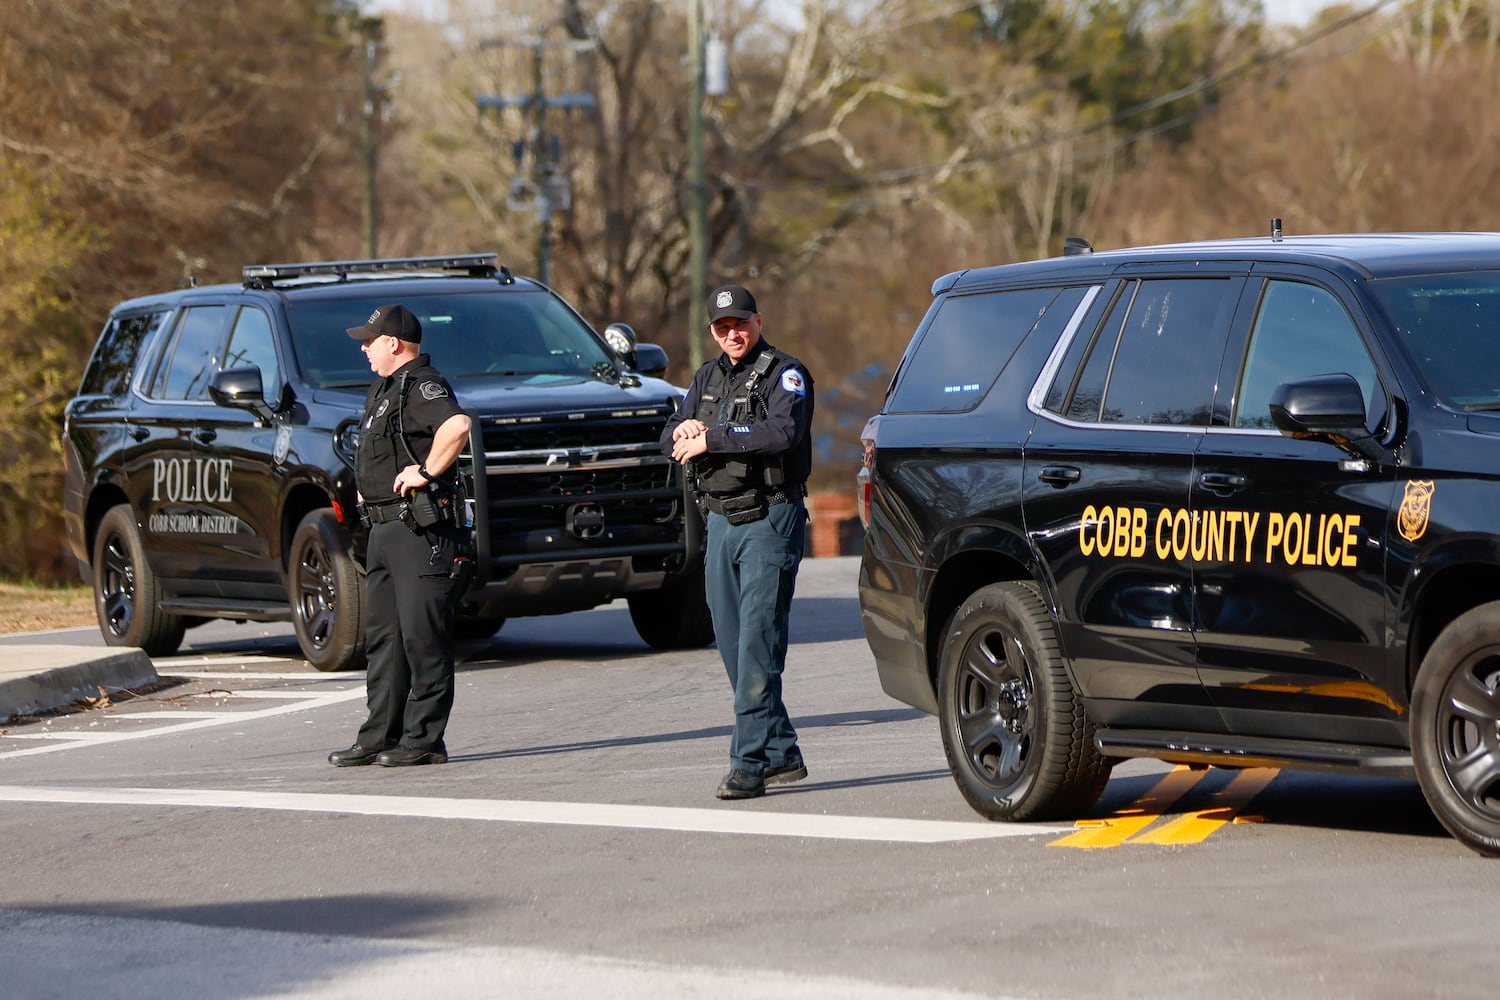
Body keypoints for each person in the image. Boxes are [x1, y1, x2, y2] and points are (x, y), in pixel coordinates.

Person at [662, 284, 815, 799]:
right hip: (721, 522)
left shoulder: (784, 373)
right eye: (722, 328)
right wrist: (682, 433)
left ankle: (747, 764)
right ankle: (781, 752)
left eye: (741, 324)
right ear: (712, 332)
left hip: (770, 519)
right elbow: (670, 432)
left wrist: (714, 438)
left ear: (758, 321)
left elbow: (780, 434)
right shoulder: (706, 377)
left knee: (757, 647)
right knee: (732, 644)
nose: (733, 334)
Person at [328, 304, 473, 768]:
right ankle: (379, 735)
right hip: (383, 529)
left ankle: (424, 739)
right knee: (384, 640)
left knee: (421, 637)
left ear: (394, 342)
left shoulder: (421, 385)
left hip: (417, 531)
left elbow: (458, 425)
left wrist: (427, 471)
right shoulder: (384, 388)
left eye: (370, 340)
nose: (364, 348)